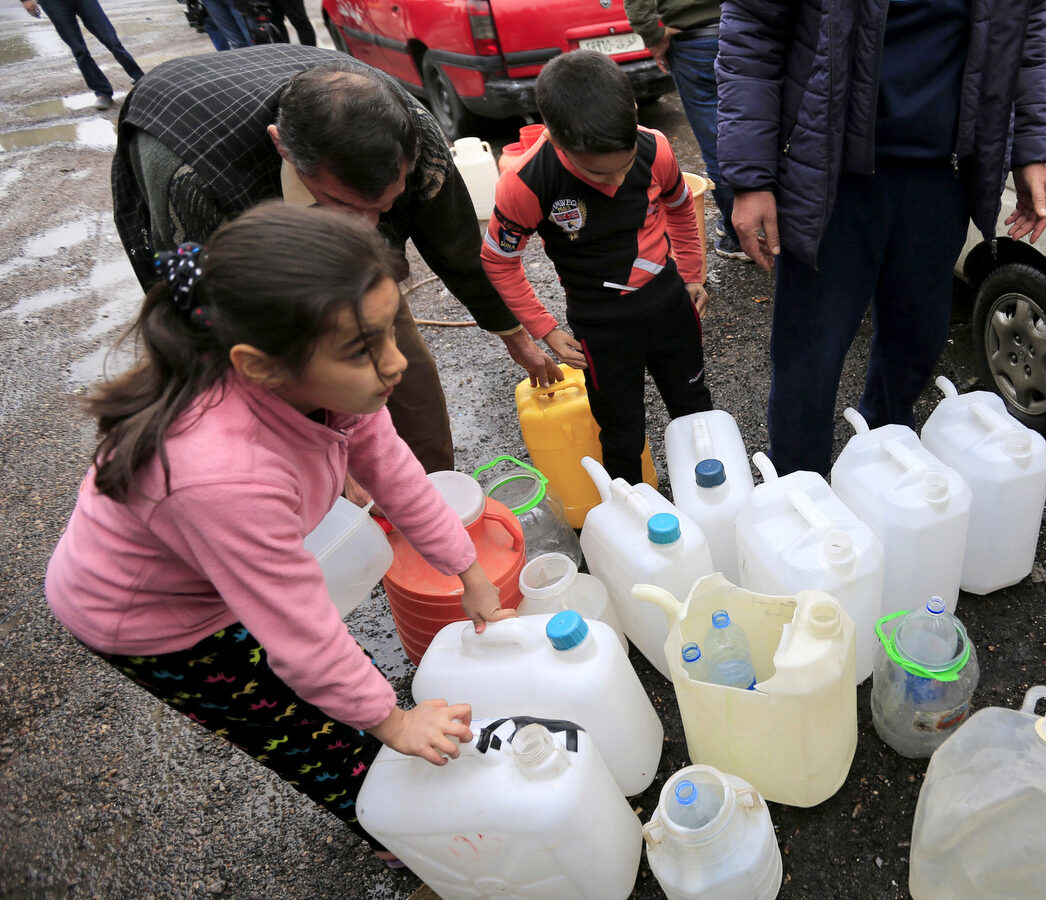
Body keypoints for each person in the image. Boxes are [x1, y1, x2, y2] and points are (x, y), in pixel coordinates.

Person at [46, 204, 516, 865]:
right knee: (295, 726)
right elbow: (299, 631)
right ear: (259, 365)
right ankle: (392, 832)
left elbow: (398, 474)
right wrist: (397, 722)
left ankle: (381, 767)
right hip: (146, 618)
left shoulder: (328, 386)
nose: (396, 362)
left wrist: (466, 572)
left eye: (389, 331)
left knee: (321, 685)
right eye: (363, 348)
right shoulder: (220, 474)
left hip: (214, 576)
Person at [110, 45, 568, 475]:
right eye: (343, 204)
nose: (367, 227)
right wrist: (324, 458)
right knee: (283, 408)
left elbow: (457, 247)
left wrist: (513, 334)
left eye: (384, 206)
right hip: (188, 138)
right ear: (282, 148)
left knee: (409, 384)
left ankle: (434, 486)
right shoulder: (193, 181)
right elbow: (206, 318)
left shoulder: (415, 135)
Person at [715, 0, 1046, 476]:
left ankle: (883, 458)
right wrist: (751, 178)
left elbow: (1026, 34)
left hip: (943, 174)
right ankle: (798, 484)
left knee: (917, 340)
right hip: (832, 177)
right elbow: (753, 31)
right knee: (810, 353)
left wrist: (1030, 149)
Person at [481, 50, 713, 485]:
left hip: (669, 305)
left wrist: (692, 273)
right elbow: (499, 259)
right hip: (601, 327)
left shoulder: (655, 147)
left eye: (623, 168)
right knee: (621, 433)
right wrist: (544, 328)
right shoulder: (527, 182)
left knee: (695, 408)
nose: (615, 183)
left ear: (634, 113)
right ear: (555, 138)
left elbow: (681, 208)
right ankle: (632, 516)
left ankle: (714, 498)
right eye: (596, 174)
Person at [622, 0, 744, 261]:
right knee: (756, 125)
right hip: (746, 28)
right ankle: (766, 221)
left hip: (693, 40)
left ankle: (740, 235)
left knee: (717, 140)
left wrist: (653, 35)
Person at [20, 0, 143, 110]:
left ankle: (139, 78)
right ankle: (102, 93)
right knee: (79, 50)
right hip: (53, 4)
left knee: (111, 40)